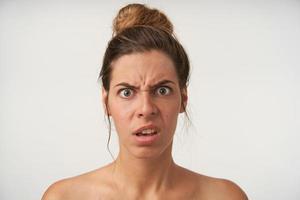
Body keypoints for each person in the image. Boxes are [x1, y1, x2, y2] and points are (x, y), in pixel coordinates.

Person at [42, 3, 248, 200]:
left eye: (162, 90)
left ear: (183, 99)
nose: (146, 109)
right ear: (106, 103)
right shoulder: (64, 197)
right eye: (127, 92)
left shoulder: (225, 196)